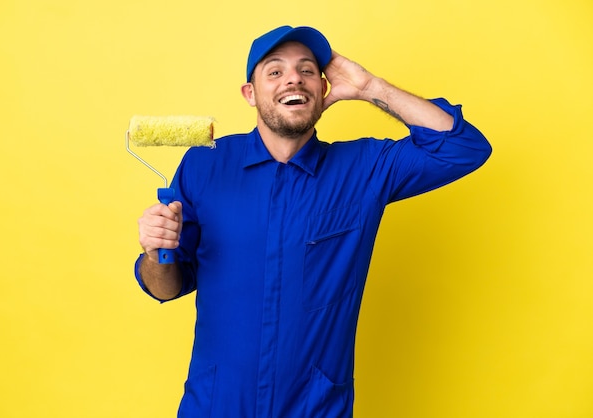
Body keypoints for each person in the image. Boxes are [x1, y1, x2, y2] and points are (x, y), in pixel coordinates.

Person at [134, 25, 491, 417]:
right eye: (275, 71)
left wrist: (372, 87)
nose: (293, 78)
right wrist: (156, 253)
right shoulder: (205, 165)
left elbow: (463, 148)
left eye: (307, 70)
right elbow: (166, 288)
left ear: (323, 90)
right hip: (216, 404)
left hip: (314, 406)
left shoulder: (363, 170)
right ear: (249, 94)